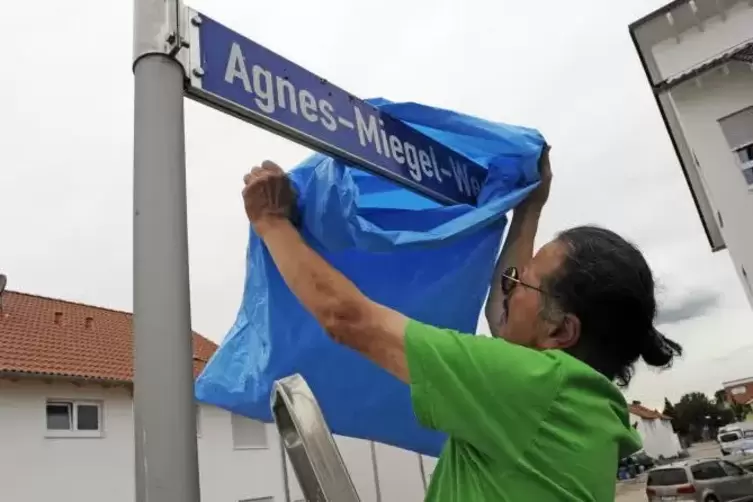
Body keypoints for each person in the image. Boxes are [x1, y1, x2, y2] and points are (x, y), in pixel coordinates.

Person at [241, 148, 682, 501]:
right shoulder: (580, 405)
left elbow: (347, 317)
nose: (510, 288)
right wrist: (530, 207)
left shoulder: (534, 388)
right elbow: (505, 309)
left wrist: (271, 221)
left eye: (524, 285)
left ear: (562, 331)